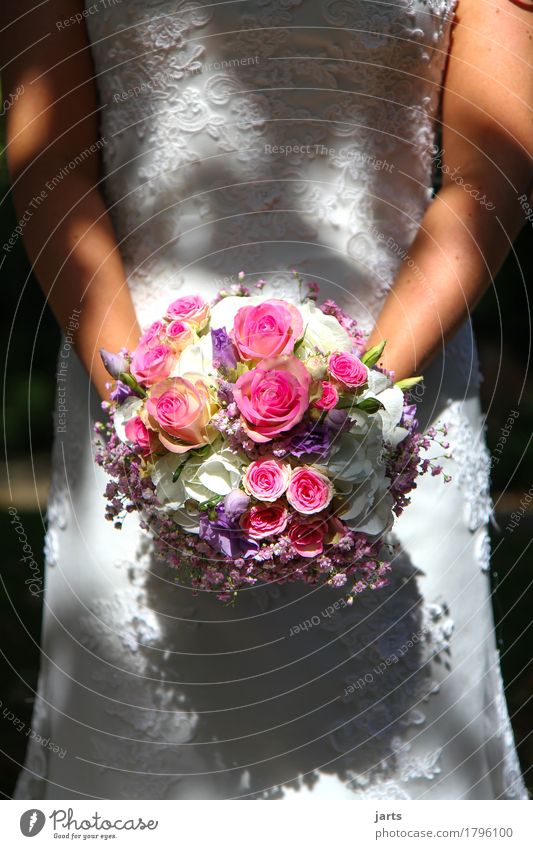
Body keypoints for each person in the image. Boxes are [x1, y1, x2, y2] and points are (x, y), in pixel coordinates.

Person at [1, 0, 531, 799]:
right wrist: (145, 402)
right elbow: (51, 160)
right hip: (135, 384)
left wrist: (365, 400)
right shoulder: (140, 403)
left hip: (399, 385)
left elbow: (488, 170)